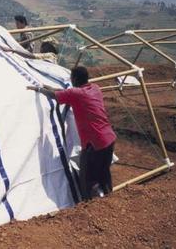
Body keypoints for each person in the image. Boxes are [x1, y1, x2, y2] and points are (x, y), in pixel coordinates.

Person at [27, 66, 116, 200]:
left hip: (95, 142)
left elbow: (56, 96)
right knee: (104, 172)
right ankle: (110, 199)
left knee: (87, 177)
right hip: (109, 138)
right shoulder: (95, 88)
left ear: (74, 79)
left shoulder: (76, 94)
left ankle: (89, 205)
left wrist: (40, 90)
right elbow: (65, 92)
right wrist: (48, 87)